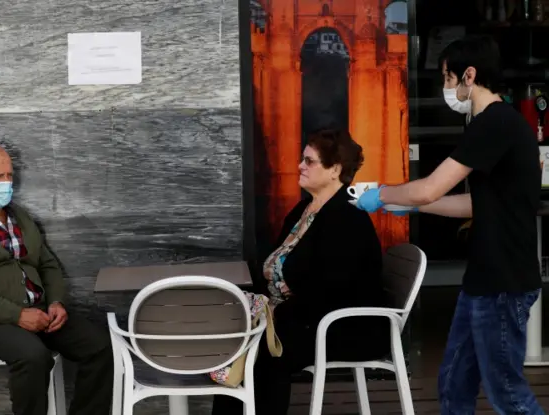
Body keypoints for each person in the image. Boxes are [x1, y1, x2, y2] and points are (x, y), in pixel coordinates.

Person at [356, 35, 544, 415]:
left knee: (507, 394)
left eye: (447, 78)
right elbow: (476, 204)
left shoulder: (494, 123)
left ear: (469, 76)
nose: (446, 88)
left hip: (503, 284)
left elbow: (428, 187)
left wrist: (384, 194)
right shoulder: (491, 124)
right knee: (454, 384)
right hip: (484, 280)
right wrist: (415, 209)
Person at [0, 143, 113, 415]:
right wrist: (17, 315)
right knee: (32, 356)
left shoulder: (18, 217)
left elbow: (47, 263)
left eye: (9, 176)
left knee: (98, 347)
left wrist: (57, 301)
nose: (6, 183)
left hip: (40, 313)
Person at [212, 129, 390, 415]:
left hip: (345, 326)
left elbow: (333, 289)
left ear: (335, 170)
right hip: (304, 317)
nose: (300, 166)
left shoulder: (347, 218)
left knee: (267, 349)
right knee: (239, 338)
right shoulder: (303, 211)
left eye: (309, 161)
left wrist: (273, 313)